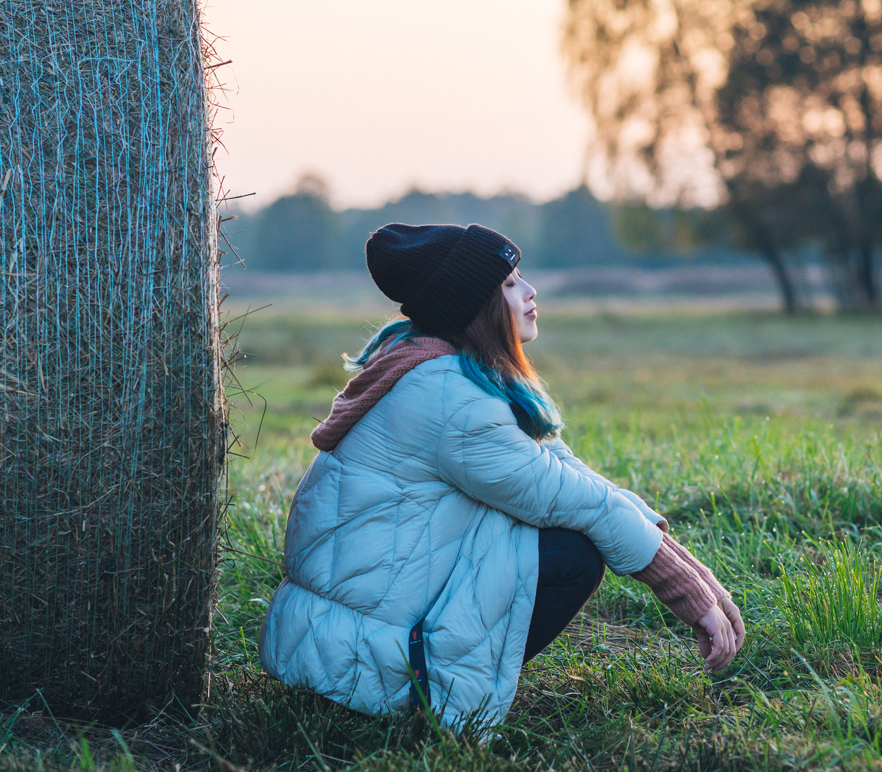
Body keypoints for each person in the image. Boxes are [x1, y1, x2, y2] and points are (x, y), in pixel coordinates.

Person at [258, 222, 745, 731]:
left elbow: (572, 477)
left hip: (340, 636)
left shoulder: (450, 371)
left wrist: (702, 583)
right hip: (355, 663)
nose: (531, 292)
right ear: (474, 304)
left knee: (554, 525)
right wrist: (688, 595)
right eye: (511, 283)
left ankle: (439, 680)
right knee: (572, 553)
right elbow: (575, 502)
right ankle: (426, 707)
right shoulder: (449, 400)